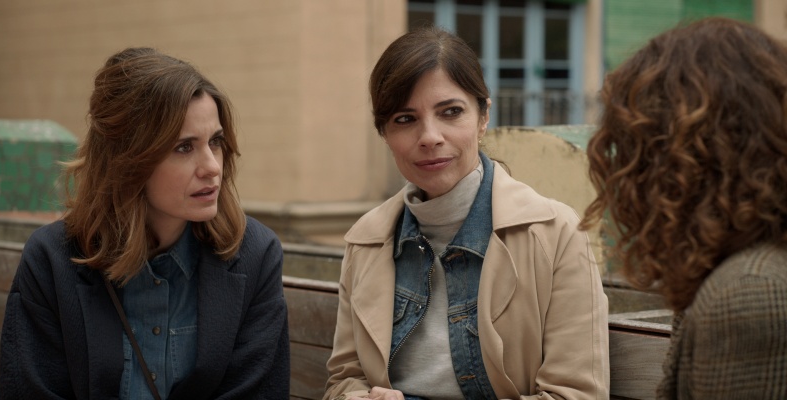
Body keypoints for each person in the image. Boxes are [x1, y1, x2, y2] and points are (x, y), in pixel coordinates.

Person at [324, 27, 609, 400]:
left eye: (451, 112)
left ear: (483, 116)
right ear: (385, 134)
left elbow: (576, 394)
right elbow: (344, 380)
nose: (430, 136)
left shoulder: (556, 233)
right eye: (405, 119)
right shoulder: (367, 239)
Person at [0, 47, 290, 399]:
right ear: (128, 161)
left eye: (215, 142)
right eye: (184, 147)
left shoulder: (255, 255)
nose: (212, 166)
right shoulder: (52, 260)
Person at [580, 17, 787, 399]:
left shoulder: (748, 290)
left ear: (678, 157)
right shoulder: (737, 261)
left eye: (636, 145)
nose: (626, 168)